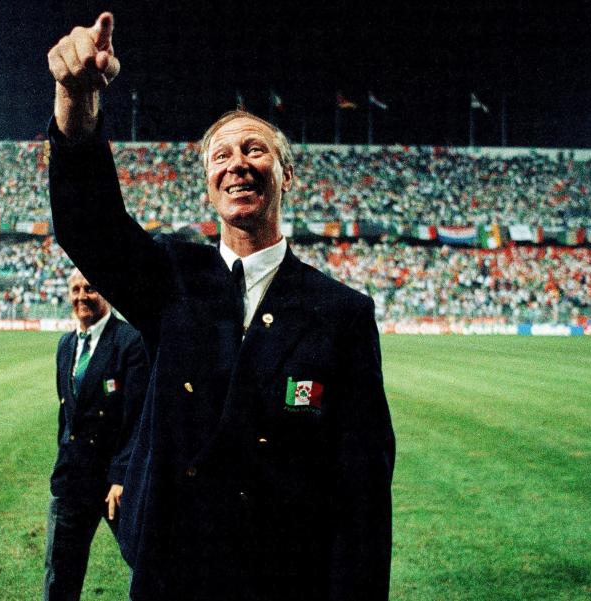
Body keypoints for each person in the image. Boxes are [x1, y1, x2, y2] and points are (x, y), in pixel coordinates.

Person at [46, 12, 395, 601]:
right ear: (210, 185)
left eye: (254, 150)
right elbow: (89, 225)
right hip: (172, 578)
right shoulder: (172, 280)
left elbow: (361, 491)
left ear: (285, 174)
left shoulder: (341, 314)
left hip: (284, 584)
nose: (237, 162)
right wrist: (75, 100)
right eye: (220, 156)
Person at [44, 268, 148, 601]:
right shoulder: (66, 344)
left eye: (90, 288)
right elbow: (67, 414)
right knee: (59, 575)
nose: (81, 297)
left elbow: (137, 416)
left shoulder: (130, 341)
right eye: (75, 290)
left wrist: (121, 476)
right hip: (73, 478)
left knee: (146, 566)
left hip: (115, 484)